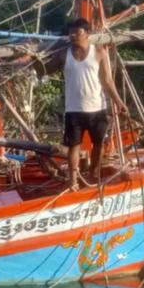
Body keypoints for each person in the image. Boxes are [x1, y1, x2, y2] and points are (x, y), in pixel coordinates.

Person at [41, 18, 129, 190]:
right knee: (74, 146)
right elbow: (45, 70)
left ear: (87, 33)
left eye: (78, 32)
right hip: (74, 109)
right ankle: (72, 179)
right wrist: (33, 58)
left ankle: (93, 174)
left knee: (98, 143)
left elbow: (108, 81)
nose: (73, 36)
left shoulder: (98, 52)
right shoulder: (62, 55)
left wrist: (119, 103)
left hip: (97, 108)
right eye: (71, 33)